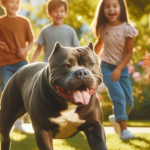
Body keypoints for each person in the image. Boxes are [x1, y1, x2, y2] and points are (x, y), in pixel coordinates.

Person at [90, 0, 138, 140]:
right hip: (106, 67)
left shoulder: (127, 29)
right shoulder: (103, 27)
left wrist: (119, 69)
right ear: (103, 10)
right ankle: (124, 131)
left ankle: (116, 117)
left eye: (115, 6)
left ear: (121, 8)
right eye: (108, 6)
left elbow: (129, 53)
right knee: (119, 97)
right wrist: (89, 59)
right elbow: (100, 43)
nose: (111, 9)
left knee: (129, 102)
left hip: (121, 69)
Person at [0, 0, 34, 132]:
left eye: (17, 2)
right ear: (4, 4)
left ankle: (19, 121)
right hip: (4, 63)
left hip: (21, 61)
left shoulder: (24, 21)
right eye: (11, 2)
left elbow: (31, 41)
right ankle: (7, 119)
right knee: (7, 90)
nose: (15, 5)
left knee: (23, 91)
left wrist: (26, 50)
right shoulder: (1, 22)